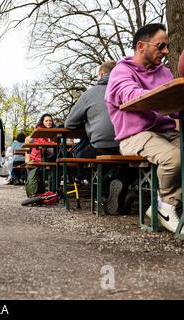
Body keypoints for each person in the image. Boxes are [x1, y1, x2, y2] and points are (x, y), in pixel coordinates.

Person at [105, 23, 181, 233]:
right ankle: (165, 207)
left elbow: (174, 108)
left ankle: (168, 201)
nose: (165, 52)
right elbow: (131, 96)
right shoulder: (121, 72)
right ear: (141, 46)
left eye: (167, 46)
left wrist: (175, 115)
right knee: (174, 157)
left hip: (166, 132)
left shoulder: (164, 72)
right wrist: (164, 102)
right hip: (134, 135)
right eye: (160, 46)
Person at [65, 61, 136, 214]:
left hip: (102, 145)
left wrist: (88, 121)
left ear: (101, 74)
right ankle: (121, 194)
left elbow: (69, 123)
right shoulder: (128, 89)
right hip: (129, 143)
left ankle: (104, 193)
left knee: (81, 158)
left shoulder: (90, 93)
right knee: (131, 165)